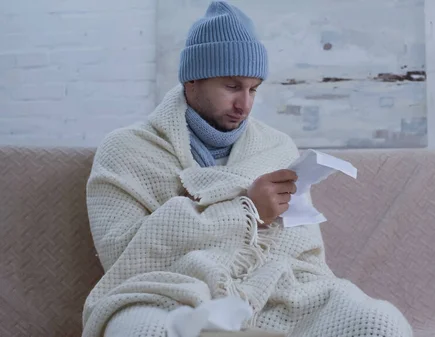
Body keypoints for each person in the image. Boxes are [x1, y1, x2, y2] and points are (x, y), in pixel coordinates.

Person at [81, 1, 413, 336]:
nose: (245, 104)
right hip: (167, 294)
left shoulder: (276, 147)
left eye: (253, 88)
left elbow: (304, 252)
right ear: (192, 81)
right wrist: (246, 213)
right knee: (142, 332)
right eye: (231, 86)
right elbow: (122, 256)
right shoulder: (128, 149)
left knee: (380, 323)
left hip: (274, 293)